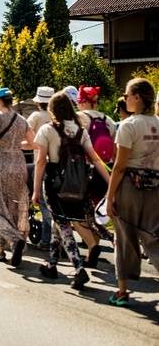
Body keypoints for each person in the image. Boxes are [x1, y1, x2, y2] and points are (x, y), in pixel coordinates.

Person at [32, 91, 111, 290]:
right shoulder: (80, 131)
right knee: (61, 220)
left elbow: (41, 161)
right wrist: (111, 182)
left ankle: (78, 268)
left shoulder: (47, 130)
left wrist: (35, 190)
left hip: (54, 183)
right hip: (79, 184)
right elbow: (94, 159)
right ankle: (51, 264)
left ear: (52, 109)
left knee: (62, 223)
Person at [105, 78, 159, 307]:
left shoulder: (128, 125)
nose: (125, 98)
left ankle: (123, 290)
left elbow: (119, 165)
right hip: (155, 185)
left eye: (127, 95)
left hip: (130, 185)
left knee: (125, 237)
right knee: (154, 238)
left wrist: (110, 196)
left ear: (137, 97)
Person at [0, 88, 36, 266]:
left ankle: (14, 238)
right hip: (18, 164)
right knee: (11, 208)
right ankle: (0, 250)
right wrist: (16, 144)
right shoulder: (22, 120)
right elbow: (33, 143)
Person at [75, 85, 118, 264]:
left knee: (80, 212)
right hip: (104, 169)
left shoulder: (79, 118)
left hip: (84, 169)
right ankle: (94, 247)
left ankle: (92, 246)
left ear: (82, 102)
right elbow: (114, 149)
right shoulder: (107, 120)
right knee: (98, 210)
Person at [26, 86, 55, 250]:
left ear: (39, 103)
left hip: (40, 160)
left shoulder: (36, 116)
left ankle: (46, 240)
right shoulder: (56, 116)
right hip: (56, 163)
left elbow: (26, 133)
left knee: (43, 204)